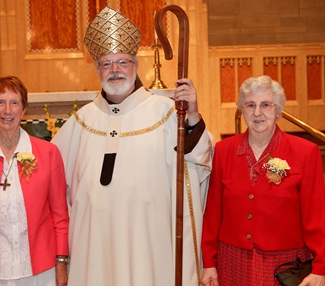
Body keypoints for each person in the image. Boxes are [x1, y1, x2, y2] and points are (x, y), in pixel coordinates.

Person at [51, 6, 214, 286]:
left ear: (136, 66)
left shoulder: (167, 113)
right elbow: (50, 178)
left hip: (149, 243)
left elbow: (200, 160)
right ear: (97, 69)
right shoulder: (80, 122)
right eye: (106, 63)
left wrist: (193, 117)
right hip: (94, 246)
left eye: (123, 62)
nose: (115, 70)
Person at [201, 75, 325, 286]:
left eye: (266, 105)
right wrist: (209, 263)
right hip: (232, 261)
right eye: (250, 105)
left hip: (284, 266)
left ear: (278, 110)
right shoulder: (223, 151)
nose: (257, 113)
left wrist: (320, 268)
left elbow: (316, 216)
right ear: (242, 109)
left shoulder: (305, 152)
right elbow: (213, 213)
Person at [0, 76, 69, 286]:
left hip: (39, 271)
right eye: (0, 102)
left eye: (14, 102)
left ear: (24, 109)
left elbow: (60, 216)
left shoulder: (48, 154)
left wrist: (61, 261)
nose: (7, 110)